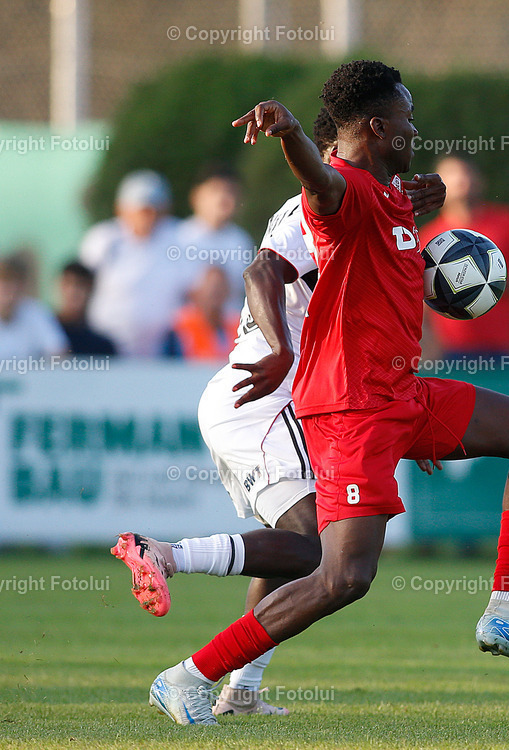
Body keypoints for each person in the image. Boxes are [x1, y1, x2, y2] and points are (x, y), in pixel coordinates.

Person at [143, 60, 509, 726]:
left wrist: (421, 193)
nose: (416, 128)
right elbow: (319, 192)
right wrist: (291, 133)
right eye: (408, 117)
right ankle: (189, 676)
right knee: (342, 574)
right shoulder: (340, 190)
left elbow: (382, 222)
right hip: (353, 410)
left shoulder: (389, 196)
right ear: (377, 126)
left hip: (402, 395)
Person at [113, 110, 339, 717]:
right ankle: (165, 553)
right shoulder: (311, 210)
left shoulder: (353, 208)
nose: (409, 136)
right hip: (263, 395)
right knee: (317, 546)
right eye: (400, 124)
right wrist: (283, 349)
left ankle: (242, 688)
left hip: (264, 397)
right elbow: (258, 272)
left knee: (288, 547)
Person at [419, 154, 509, 360]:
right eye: (452, 173)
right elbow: (420, 301)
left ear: (480, 179)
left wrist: (485, 279)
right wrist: (427, 346)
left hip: (501, 350)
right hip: (448, 354)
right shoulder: (429, 238)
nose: (461, 179)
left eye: (467, 171)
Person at [79, 170, 191, 357]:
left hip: (165, 353)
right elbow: (81, 288)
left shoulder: (181, 237)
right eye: (141, 210)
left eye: (154, 210)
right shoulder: (102, 238)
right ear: (121, 209)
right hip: (107, 348)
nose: (148, 216)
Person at [176, 164, 255, 311]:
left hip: (230, 321)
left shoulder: (241, 240)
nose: (222, 198)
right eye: (214, 190)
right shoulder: (179, 237)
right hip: (186, 322)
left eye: (230, 191)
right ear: (196, 196)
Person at [163, 266, 240, 362]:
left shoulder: (239, 327)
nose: (215, 297)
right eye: (211, 291)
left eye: (220, 290)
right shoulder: (178, 331)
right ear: (196, 293)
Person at [55, 261, 116, 357]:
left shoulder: (102, 346)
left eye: (80, 284)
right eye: (68, 283)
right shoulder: (43, 331)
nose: (73, 291)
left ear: (91, 290)